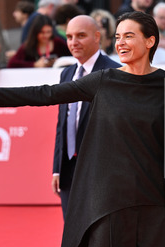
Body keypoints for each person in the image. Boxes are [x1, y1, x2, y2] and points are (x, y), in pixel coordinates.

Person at [0, 11, 165, 247]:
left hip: (154, 203)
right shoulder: (103, 81)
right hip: (110, 204)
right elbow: (45, 94)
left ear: (150, 41)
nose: (121, 43)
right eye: (118, 36)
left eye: (129, 36)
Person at [52, 15, 121, 219]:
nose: (74, 42)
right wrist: (57, 168)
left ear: (97, 36)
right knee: (71, 231)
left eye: (81, 36)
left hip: (100, 171)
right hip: (68, 171)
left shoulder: (113, 72)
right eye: (70, 36)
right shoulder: (66, 74)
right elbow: (62, 124)